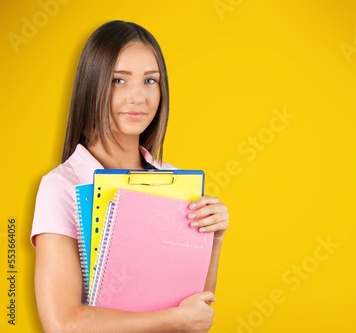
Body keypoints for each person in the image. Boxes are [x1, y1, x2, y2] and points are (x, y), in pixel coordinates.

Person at [31, 20, 229, 332]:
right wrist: (172, 320)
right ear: (92, 85)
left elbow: (196, 312)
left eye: (151, 81)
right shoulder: (62, 186)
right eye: (119, 81)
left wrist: (213, 238)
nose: (138, 96)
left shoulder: (176, 182)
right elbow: (63, 325)